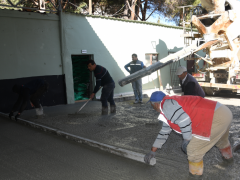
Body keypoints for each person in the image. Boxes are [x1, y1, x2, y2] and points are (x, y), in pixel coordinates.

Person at [144, 91, 233, 179]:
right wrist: (153, 151)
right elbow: (164, 132)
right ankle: (229, 161)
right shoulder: (170, 104)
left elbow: (184, 120)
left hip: (215, 117)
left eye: (151, 105)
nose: (152, 107)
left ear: (155, 104)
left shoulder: (167, 106)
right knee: (221, 140)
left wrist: (187, 140)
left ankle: (195, 176)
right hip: (224, 112)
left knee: (193, 150)